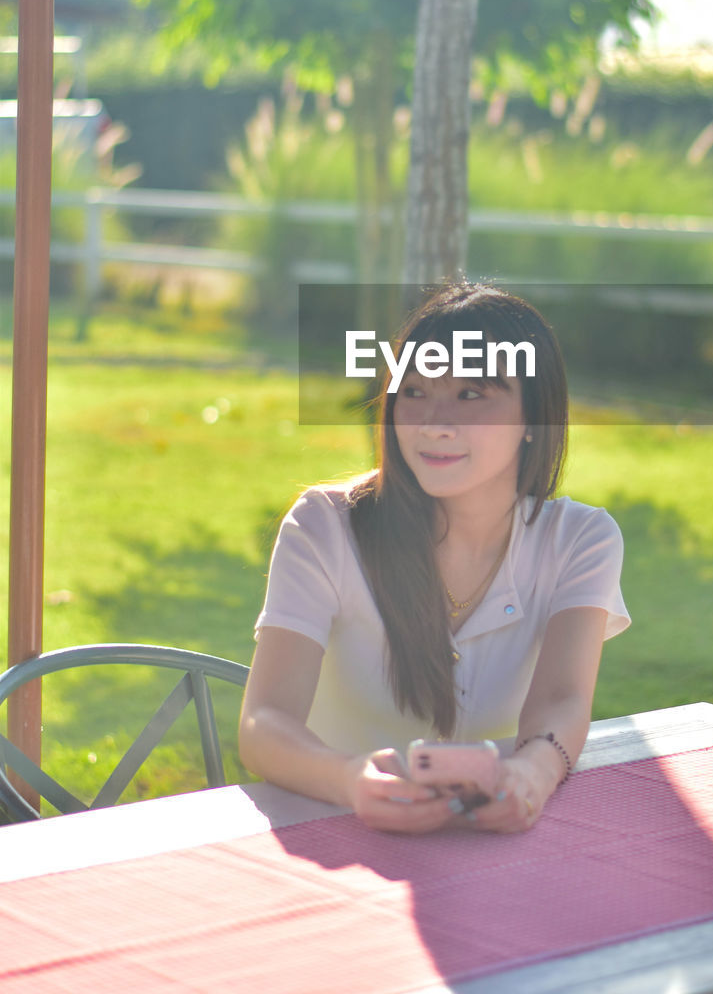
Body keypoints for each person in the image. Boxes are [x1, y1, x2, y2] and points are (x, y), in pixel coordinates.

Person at [239, 282, 629, 834]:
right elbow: (264, 723)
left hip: (492, 847)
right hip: (336, 835)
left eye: (471, 395)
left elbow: (562, 702)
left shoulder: (580, 539)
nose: (433, 421)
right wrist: (352, 781)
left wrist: (529, 777)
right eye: (415, 391)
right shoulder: (323, 524)